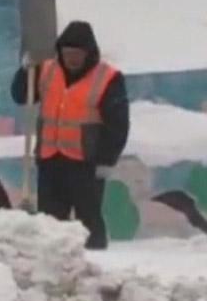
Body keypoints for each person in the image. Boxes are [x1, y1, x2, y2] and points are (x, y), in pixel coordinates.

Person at [10, 20, 129, 250]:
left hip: (86, 163)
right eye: (67, 53)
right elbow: (21, 95)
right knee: (51, 224)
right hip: (50, 159)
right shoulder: (46, 70)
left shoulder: (107, 78)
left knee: (88, 220)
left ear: (89, 53)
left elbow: (118, 125)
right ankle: (56, 263)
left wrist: (106, 161)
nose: (72, 58)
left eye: (77, 54)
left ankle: (96, 263)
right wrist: (25, 71)